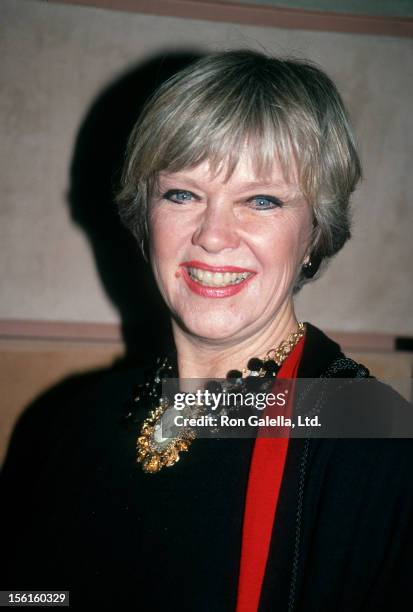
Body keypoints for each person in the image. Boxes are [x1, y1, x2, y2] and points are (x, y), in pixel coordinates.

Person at [1, 49, 412, 611]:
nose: (214, 235)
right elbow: (34, 594)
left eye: (261, 200)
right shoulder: (70, 422)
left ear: (316, 232)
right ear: (145, 214)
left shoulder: (370, 440)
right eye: (183, 194)